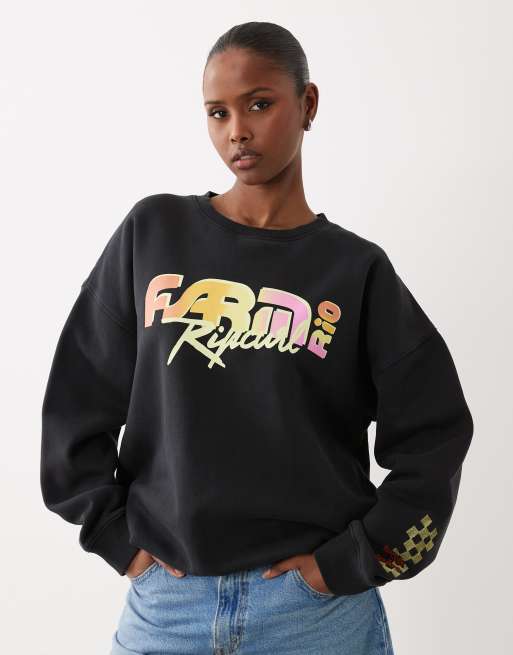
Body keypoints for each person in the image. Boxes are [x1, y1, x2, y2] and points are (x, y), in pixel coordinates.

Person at [40, 21, 473, 655]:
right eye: (218, 113)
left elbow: (436, 434)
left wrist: (357, 559)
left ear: (308, 104)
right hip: (167, 606)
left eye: (259, 104)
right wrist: (115, 536)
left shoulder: (355, 270)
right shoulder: (153, 233)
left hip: (314, 618)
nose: (237, 130)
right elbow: (77, 398)